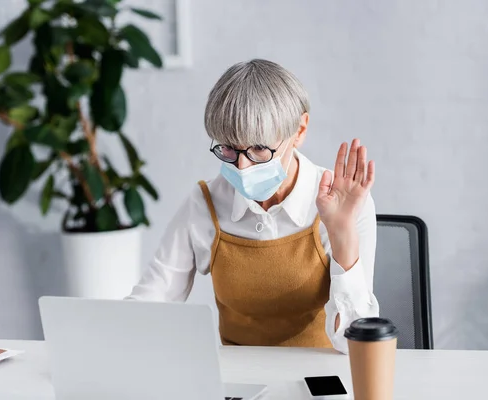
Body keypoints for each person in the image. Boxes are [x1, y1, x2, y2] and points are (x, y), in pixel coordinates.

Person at [127, 59, 379, 354]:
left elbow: (354, 346)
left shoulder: (343, 205)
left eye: (259, 148)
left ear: (299, 130)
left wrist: (341, 233)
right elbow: (152, 301)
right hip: (237, 384)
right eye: (229, 148)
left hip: (320, 381)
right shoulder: (205, 203)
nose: (243, 166)